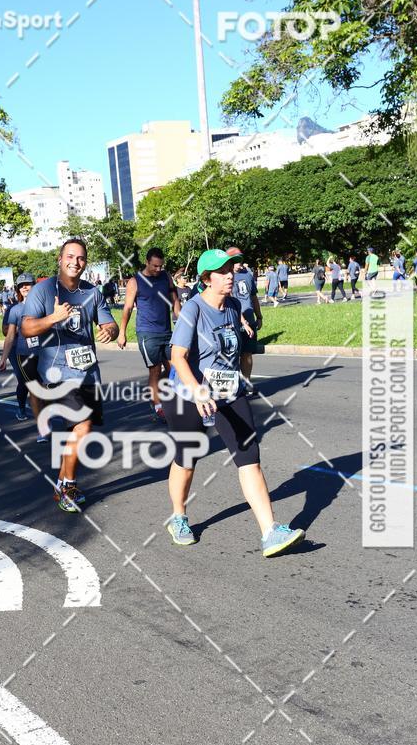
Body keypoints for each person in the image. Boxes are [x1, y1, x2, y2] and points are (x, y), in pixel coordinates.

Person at [161, 249, 305, 556]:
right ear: (206, 278)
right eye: (222, 271)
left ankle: (270, 533)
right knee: (187, 458)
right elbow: (177, 357)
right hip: (187, 393)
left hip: (229, 391)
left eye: (230, 269)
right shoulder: (193, 310)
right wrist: (199, 391)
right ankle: (178, 517)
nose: (230, 275)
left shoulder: (233, 306)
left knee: (248, 455)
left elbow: (233, 350)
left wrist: (240, 377)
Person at [21, 238, 118, 511]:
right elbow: (27, 329)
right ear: (60, 259)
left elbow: (108, 323)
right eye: (70, 256)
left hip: (88, 372)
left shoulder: (92, 292)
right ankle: (69, 484)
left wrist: (109, 330)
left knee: (78, 429)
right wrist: (52, 318)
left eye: (81, 258)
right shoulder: (42, 291)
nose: (75, 262)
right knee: (83, 425)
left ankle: (63, 483)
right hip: (57, 373)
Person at [118, 247, 181, 422]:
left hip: (166, 331)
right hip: (147, 333)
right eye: (155, 266)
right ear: (147, 262)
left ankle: (163, 395)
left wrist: (182, 322)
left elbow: (175, 299)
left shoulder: (166, 276)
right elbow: (128, 308)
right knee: (155, 370)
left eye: (161, 266)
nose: (158, 269)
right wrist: (122, 332)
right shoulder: (135, 282)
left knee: (174, 368)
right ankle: (158, 406)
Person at [0, 273, 47, 438]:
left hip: (45, 354)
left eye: (28, 284)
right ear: (18, 289)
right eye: (21, 285)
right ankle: (42, 427)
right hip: (24, 355)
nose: (25, 287)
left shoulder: (45, 305)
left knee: (46, 389)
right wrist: (4, 358)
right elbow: (10, 335)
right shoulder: (15, 309)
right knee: (34, 390)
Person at [231, 248, 263, 397]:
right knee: (232, 354)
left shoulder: (247, 275)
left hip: (249, 318)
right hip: (233, 319)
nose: (239, 264)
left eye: (240, 260)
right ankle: (233, 384)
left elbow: (254, 297)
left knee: (247, 353)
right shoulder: (225, 276)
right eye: (236, 261)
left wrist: (259, 316)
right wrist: (241, 320)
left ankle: (247, 383)